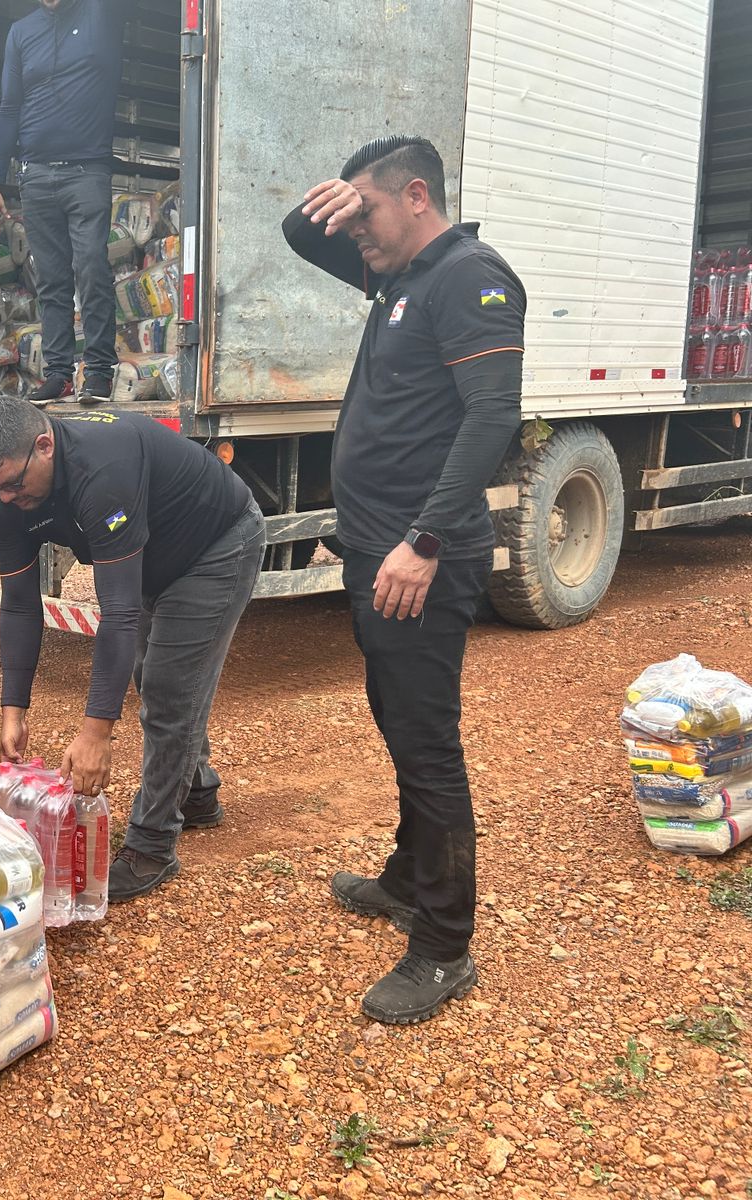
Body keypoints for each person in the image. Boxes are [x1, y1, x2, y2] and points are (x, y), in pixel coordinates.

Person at [283, 135, 525, 1024]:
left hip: (419, 560)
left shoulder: (467, 276)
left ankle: (444, 946)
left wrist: (423, 540)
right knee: (395, 715)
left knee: (427, 744)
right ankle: (406, 877)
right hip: (376, 553)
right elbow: (301, 237)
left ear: (417, 195)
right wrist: (340, 201)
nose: (358, 239)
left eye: (370, 214)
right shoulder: (399, 278)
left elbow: (493, 412)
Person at [0, 397, 265, 900]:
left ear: (45, 445)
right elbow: (18, 603)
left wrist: (96, 732)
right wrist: (12, 709)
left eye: (13, 484)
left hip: (215, 545)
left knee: (169, 688)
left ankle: (152, 844)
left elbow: (117, 614)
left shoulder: (102, 469)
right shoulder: (4, 492)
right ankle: (196, 794)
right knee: (156, 675)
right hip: (151, 552)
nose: (7, 499)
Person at [0, 0, 132, 407]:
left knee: (91, 269)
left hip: (87, 171)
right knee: (51, 281)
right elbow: (9, 108)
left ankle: (99, 370)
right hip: (36, 176)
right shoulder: (21, 32)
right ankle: (59, 375)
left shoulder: (101, 12)